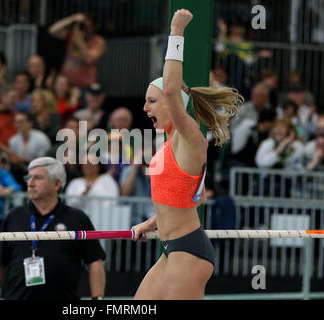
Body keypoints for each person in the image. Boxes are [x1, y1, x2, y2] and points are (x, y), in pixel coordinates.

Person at [131, 9, 243, 300]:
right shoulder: (167, 145)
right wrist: (152, 223)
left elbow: (170, 87)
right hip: (170, 250)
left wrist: (177, 30)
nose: (145, 108)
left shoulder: (189, 133)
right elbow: (181, 196)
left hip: (189, 250)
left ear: (172, 104)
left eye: (151, 101)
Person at [0, 157, 106, 300]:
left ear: (56, 184)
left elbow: (94, 261)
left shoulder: (77, 218)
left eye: (37, 178)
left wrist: (97, 299)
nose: (30, 183)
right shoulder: (14, 216)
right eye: (28, 177)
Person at [48, 13, 106, 88]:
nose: (86, 29)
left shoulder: (98, 41)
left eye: (89, 26)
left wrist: (79, 38)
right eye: (84, 26)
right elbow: (52, 30)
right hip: (67, 86)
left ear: (94, 27)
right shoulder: (72, 35)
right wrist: (72, 18)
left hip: (84, 86)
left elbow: (89, 59)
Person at [8, 112, 51, 188]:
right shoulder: (13, 140)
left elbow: (45, 161)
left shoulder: (41, 138)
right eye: (15, 122)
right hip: (20, 173)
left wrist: (25, 160)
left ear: (30, 123)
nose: (17, 125)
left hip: (41, 172)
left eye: (21, 122)